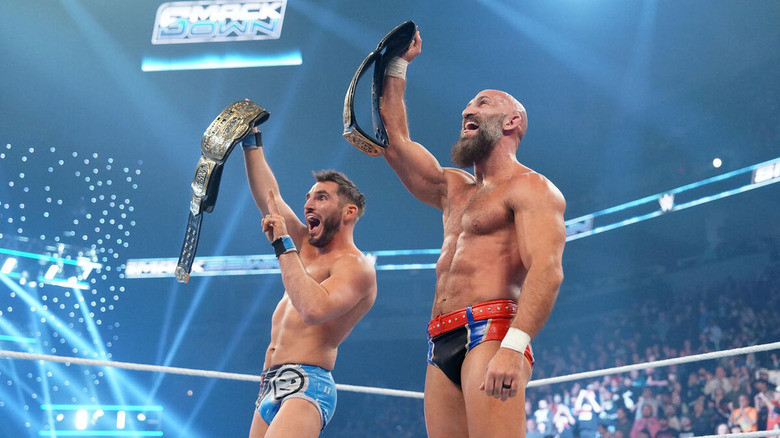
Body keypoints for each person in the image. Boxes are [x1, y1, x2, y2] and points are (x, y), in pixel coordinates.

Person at [378, 30, 566, 437]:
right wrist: (396, 66)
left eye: (483, 102)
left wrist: (514, 348)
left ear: (511, 121)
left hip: (492, 331)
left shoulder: (531, 188)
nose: (469, 108)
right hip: (438, 336)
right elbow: (395, 142)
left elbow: (547, 271)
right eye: (467, 105)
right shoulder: (453, 189)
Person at [241, 126, 377, 437]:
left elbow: (313, 309)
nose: (308, 205)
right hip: (269, 382)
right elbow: (269, 199)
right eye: (308, 198)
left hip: (307, 385)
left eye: (321, 197)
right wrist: (251, 142)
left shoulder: (356, 267)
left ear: (349, 212)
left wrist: (282, 245)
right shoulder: (304, 247)